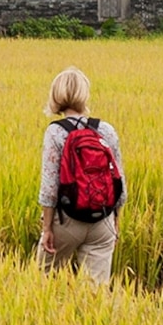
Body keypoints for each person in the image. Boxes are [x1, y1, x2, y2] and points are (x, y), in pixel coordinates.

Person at [37, 66, 124, 283]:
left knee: (43, 286)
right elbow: (120, 184)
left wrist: (47, 228)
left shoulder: (55, 132)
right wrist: (115, 223)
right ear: (84, 94)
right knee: (96, 296)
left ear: (56, 95)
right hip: (102, 220)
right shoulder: (106, 130)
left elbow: (49, 189)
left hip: (66, 221)